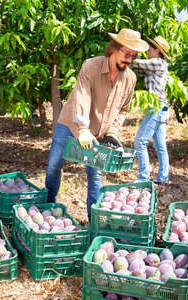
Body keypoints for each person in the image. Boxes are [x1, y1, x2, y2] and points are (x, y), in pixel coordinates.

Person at [45, 29, 149, 219]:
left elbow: (124, 109)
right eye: (127, 53)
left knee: (95, 175)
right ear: (114, 49)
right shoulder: (91, 66)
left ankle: (94, 221)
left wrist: (113, 132)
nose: (129, 59)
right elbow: (81, 96)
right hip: (71, 123)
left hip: (98, 132)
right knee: (54, 165)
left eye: (133, 56)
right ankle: (48, 204)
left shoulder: (130, 78)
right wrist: (83, 129)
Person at [130, 36, 171, 186]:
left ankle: (143, 178)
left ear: (157, 51)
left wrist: (127, 55)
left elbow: (136, 64)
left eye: (150, 48)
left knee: (140, 141)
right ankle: (163, 178)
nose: (148, 50)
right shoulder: (155, 65)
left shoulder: (158, 63)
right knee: (160, 146)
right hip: (161, 107)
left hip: (157, 107)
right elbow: (139, 71)